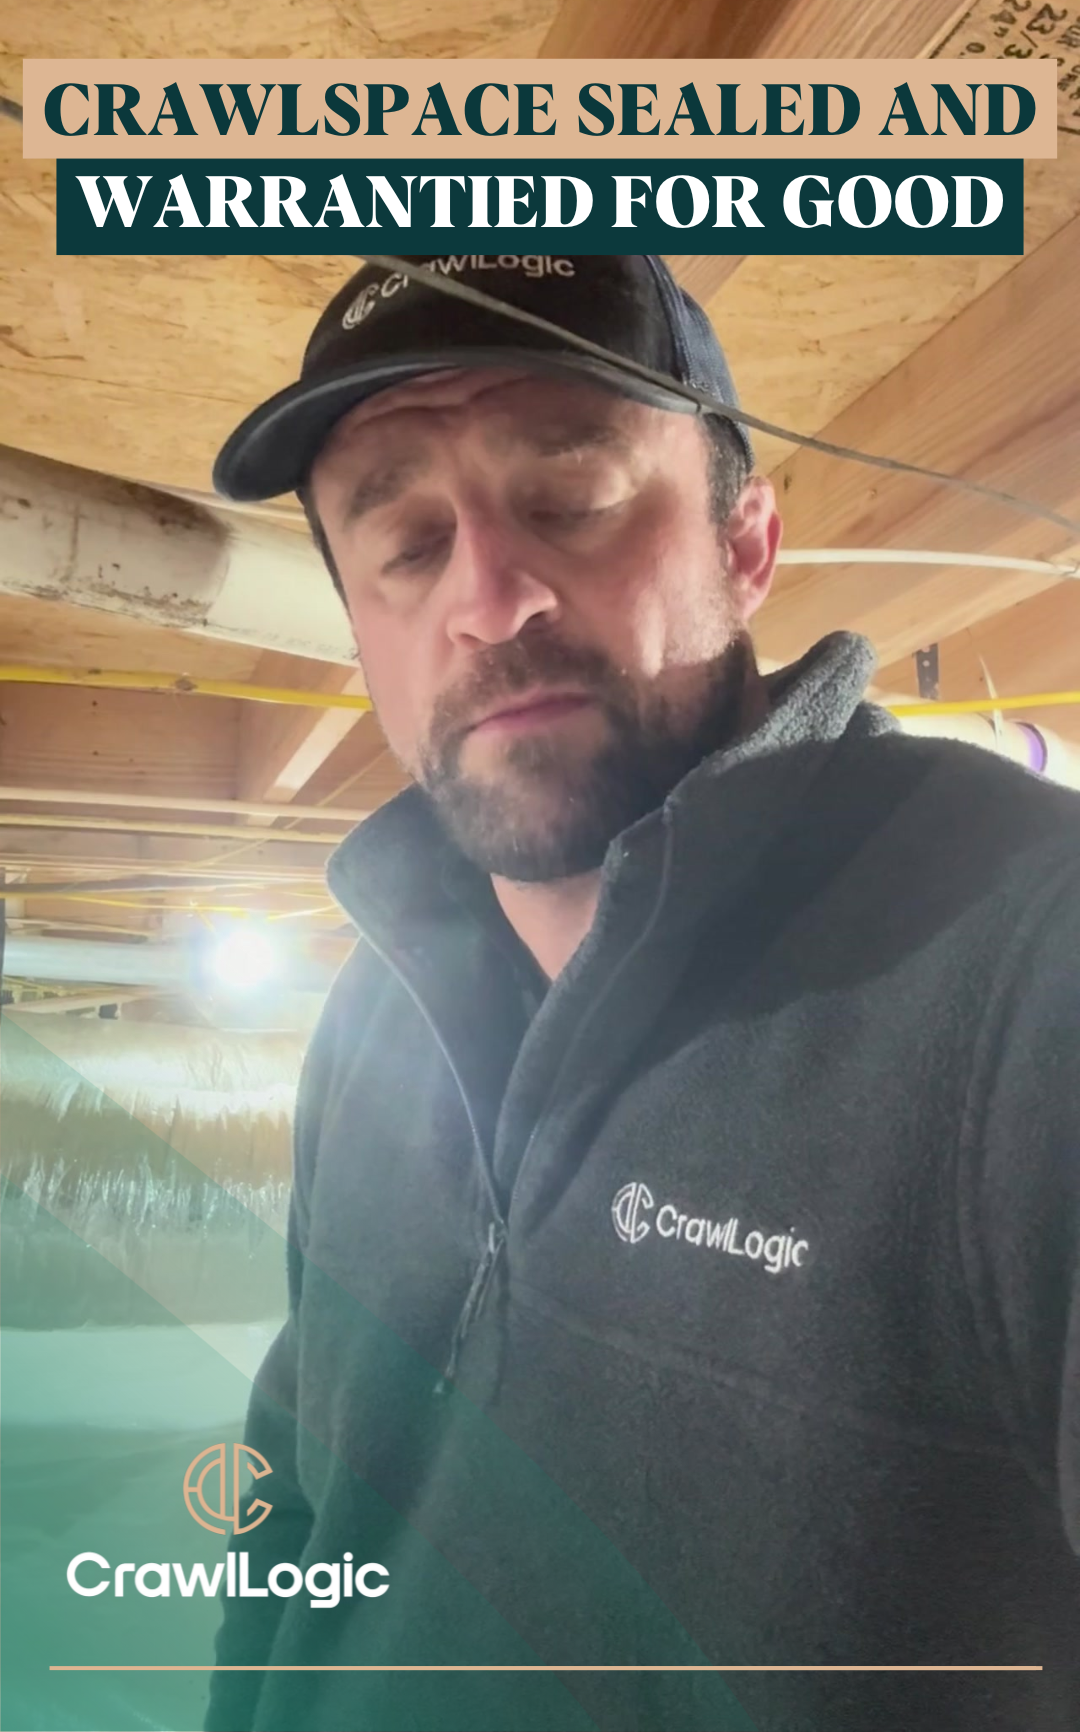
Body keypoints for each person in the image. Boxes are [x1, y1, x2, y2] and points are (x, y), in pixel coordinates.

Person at [206, 255, 1080, 1732]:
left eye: (571, 495)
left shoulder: (1031, 967)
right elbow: (299, 1504)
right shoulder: (373, 1017)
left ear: (749, 542)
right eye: (407, 543)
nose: (490, 598)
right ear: (361, 633)